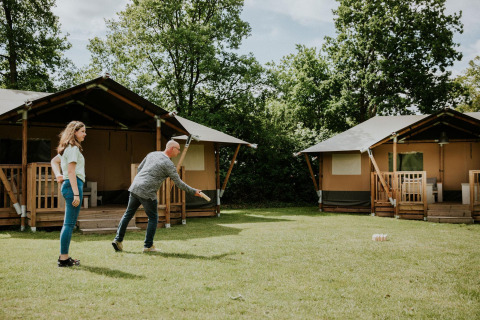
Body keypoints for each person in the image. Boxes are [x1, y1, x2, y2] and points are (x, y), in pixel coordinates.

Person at [112, 140, 202, 252]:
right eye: (178, 149)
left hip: (135, 187)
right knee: (153, 218)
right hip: (148, 192)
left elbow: (140, 168)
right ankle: (148, 246)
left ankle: (117, 240)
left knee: (128, 214)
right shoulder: (168, 164)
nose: (179, 152)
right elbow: (178, 183)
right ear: (171, 148)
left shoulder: (152, 154)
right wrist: (193, 191)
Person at [50, 121, 87, 267]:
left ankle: (64, 257)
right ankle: (64, 259)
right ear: (74, 132)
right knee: (69, 224)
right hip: (73, 185)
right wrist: (76, 194)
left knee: (69, 223)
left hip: (70, 185)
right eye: (82, 131)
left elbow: (54, 161)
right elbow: (71, 172)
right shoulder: (73, 148)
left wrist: (58, 174)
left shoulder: (68, 149)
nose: (85, 134)